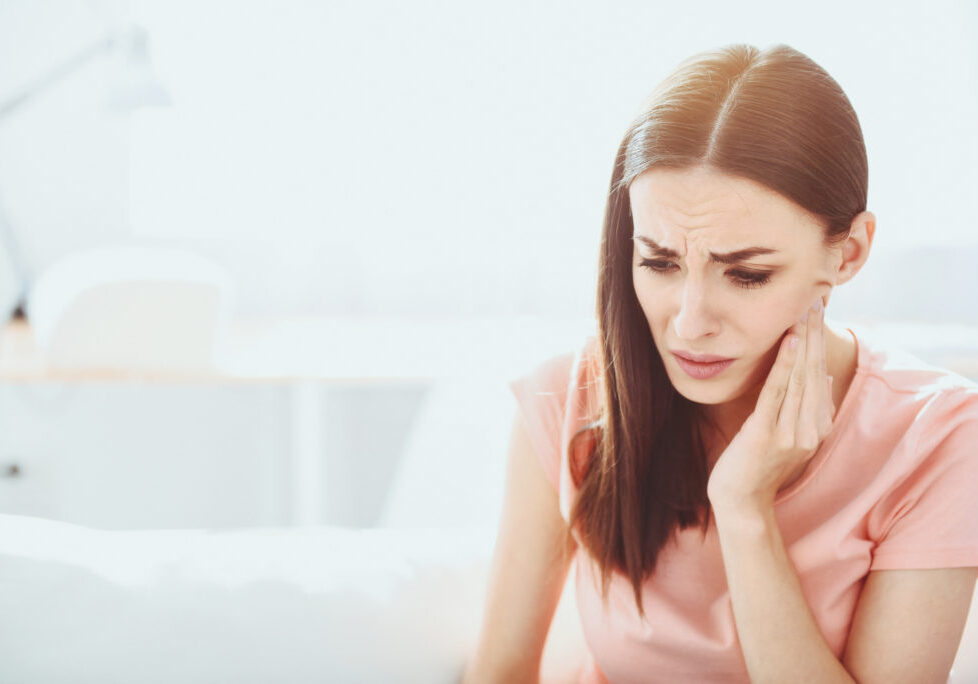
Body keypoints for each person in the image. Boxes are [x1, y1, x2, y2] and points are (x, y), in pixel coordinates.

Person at [461, 43, 978, 683]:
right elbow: (498, 674)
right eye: (659, 262)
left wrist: (744, 508)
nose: (689, 322)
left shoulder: (938, 435)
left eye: (748, 274)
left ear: (847, 254)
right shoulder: (569, 399)